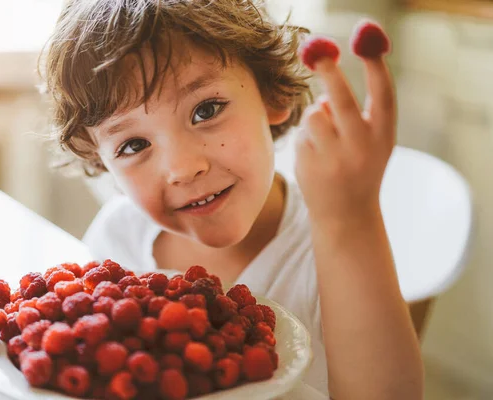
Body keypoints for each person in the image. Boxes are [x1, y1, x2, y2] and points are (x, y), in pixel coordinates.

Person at [39, 0, 423, 398]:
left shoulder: (330, 245)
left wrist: (351, 218)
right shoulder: (118, 237)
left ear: (273, 95)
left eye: (206, 110)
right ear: (100, 161)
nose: (183, 168)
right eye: (134, 144)